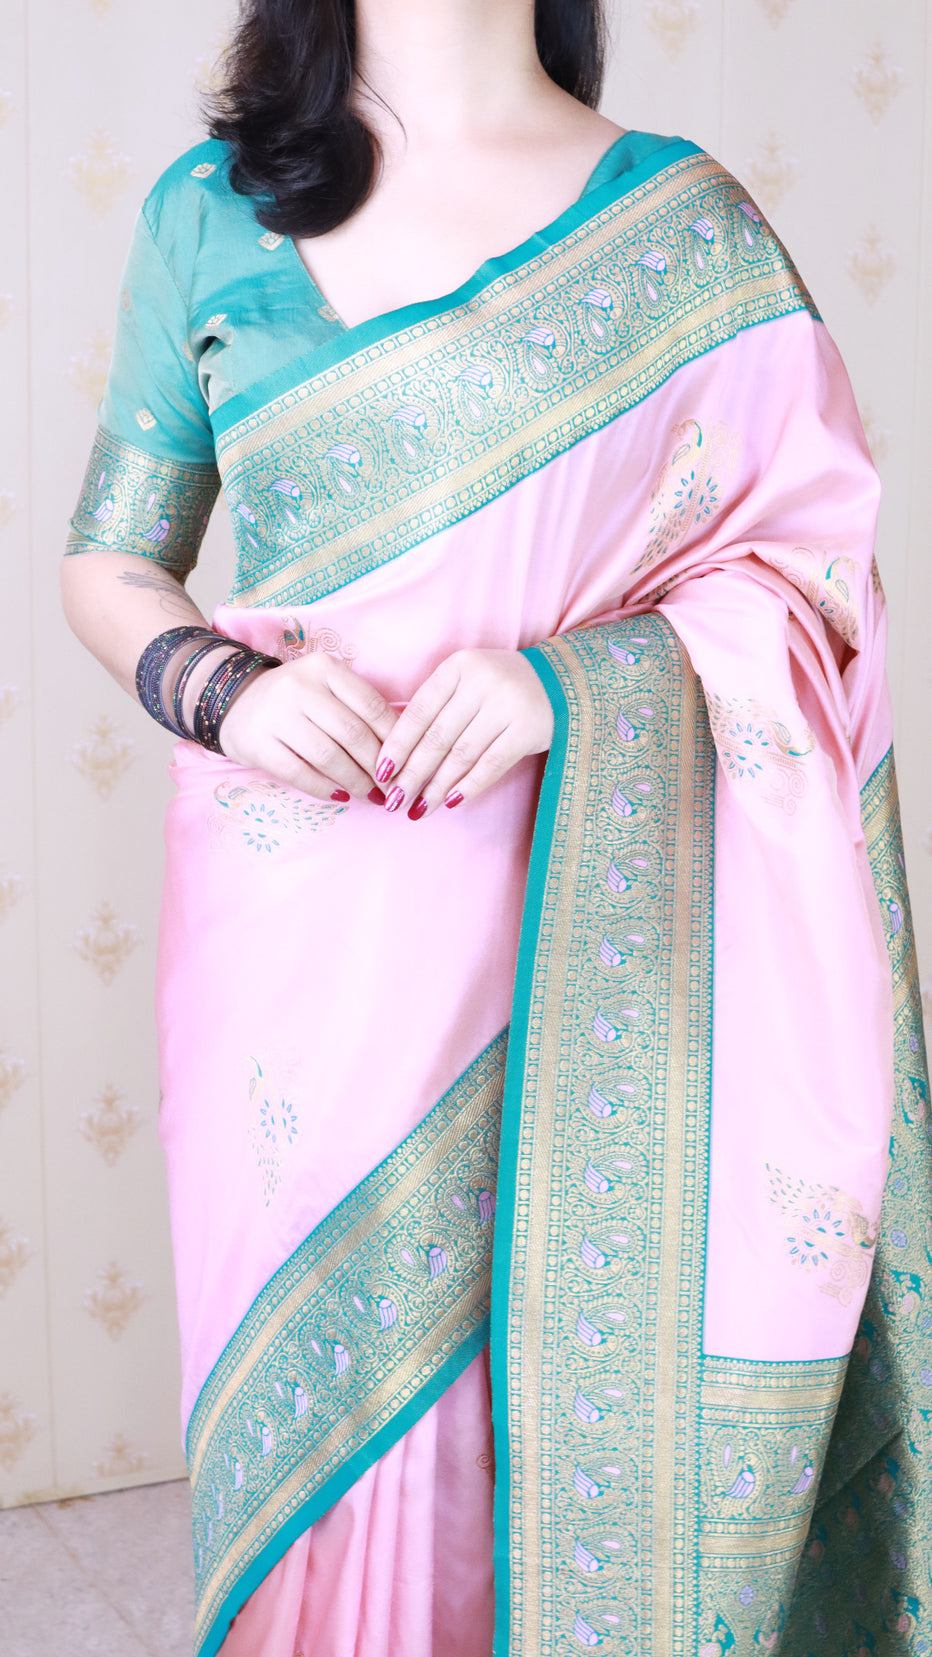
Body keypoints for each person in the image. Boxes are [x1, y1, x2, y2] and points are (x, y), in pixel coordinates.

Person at [62, 2, 931, 1654]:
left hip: (588, 961)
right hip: (292, 960)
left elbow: (815, 594)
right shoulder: (211, 211)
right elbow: (111, 559)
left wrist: (570, 688)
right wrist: (222, 692)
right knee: (316, 1444)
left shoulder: (686, 232)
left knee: (509, 1439)